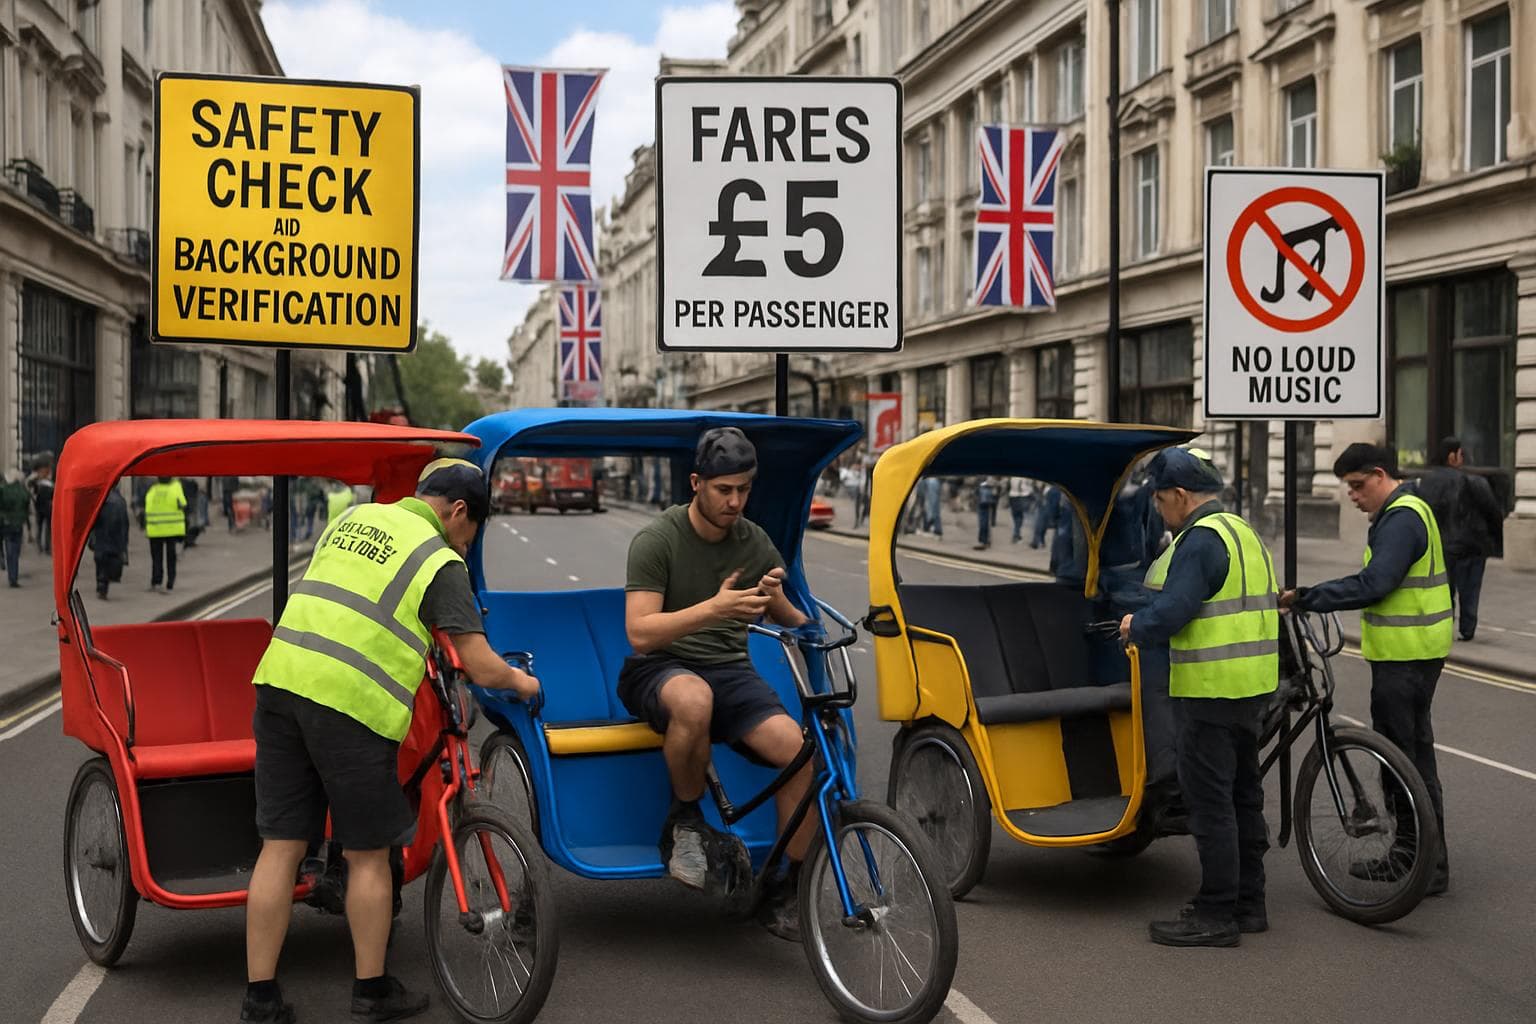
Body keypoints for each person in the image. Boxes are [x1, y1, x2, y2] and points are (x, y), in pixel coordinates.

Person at [240, 459, 540, 1024]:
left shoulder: (354, 518)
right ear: (457, 513)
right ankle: (371, 990)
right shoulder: (439, 559)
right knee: (368, 855)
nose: (468, 543)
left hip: (279, 681)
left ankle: (260, 1001)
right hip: (347, 703)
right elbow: (477, 662)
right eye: (471, 530)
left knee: (280, 847)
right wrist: (524, 682)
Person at [619, 427, 815, 942]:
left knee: (798, 750)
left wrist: (792, 613)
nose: (734, 502)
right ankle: (685, 819)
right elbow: (639, 632)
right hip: (659, 667)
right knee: (694, 698)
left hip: (731, 672)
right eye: (724, 490)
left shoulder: (754, 540)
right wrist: (715, 608)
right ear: (696, 484)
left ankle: (785, 886)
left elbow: (782, 610)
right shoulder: (657, 540)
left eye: (743, 490)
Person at [1121, 448, 1277, 947]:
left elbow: (1175, 612)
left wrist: (1135, 625)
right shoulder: (1244, 531)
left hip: (1208, 692)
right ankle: (1250, 905)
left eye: (1161, 499)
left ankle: (1214, 914)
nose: (1159, 510)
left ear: (1181, 496)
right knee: (1244, 797)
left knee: (1211, 806)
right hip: (1251, 689)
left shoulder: (1200, 540)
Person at [1281, 443, 1451, 895]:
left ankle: (1413, 859)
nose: (1353, 497)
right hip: (1416, 650)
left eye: (1357, 486)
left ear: (1379, 475)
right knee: (1414, 755)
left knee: (1401, 760)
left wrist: (1309, 597)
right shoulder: (1408, 510)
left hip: (1406, 655)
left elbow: (1377, 583)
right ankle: (1428, 860)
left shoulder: (1402, 517)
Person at [1416, 437, 1504, 641]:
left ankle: (1444, 626)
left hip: (1441, 545)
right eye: (1461, 454)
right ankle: (1467, 629)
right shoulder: (1473, 481)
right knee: (1470, 590)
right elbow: (1493, 513)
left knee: (1443, 589)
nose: (1463, 459)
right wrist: (1494, 541)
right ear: (1452, 456)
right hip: (1471, 545)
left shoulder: (1426, 482)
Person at [143, 476, 187, 593]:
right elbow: (183, 503)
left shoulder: (153, 490)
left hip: (155, 529)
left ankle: (156, 581)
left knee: (157, 558)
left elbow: (147, 507)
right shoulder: (176, 487)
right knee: (171, 558)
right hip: (172, 529)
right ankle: (170, 583)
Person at [91, 487, 130, 599]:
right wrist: (125, 541)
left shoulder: (101, 499)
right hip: (115, 537)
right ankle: (104, 583)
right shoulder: (121, 500)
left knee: (100, 560)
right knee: (109, 560)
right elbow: (125, 523)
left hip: (101, 535)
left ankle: (101, 584)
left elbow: (94, 520)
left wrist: (92, 536)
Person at [0, 470, 28, 588]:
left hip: (7, 523)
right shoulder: (22, 491)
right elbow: (26, 505)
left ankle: (11, 576)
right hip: (18, 524)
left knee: (9, 550)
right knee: (15, 552)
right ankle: (14, 577)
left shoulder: (3, 490)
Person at [30, 460, 54, 555]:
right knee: (48, 529)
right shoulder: (51, 485)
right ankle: (47, 548)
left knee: (40, 528)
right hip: (48, 509)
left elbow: (34, 495)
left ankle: (40, 546)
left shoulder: (37, 485)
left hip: (40, 509)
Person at [1007, 477, 1035, 544]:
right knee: (1024, 518)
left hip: (1013, 497)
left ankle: (1016, 534)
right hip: (1022, 497)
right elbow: (1028, 487)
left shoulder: (1012, 478)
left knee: (1016, 517)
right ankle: (1017, 535)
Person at [974, 476, 998, 550]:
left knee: (985, 524)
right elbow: (976, 492)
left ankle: (985, 541)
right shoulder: (981, 484)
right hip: (981, 505)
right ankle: (983, 540)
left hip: (988, 506)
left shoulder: (993, 485)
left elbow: (995, 495)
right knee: (982, 524)